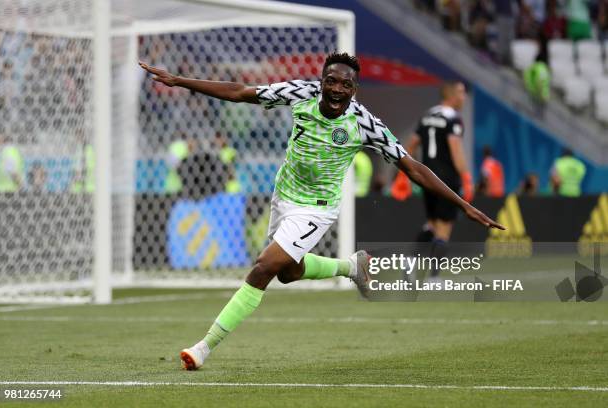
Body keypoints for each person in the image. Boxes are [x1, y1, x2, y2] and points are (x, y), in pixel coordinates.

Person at [139, 54, 503, 371]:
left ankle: (202, 348)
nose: (336, 89)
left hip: (317, 208)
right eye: (331, 81)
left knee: (264, 267)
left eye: (346, 84)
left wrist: (464, 205)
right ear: (321, 81)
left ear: (354, 90)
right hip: (283, 198)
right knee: (288, 272)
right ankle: (351, 267)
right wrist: (179, 81)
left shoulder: (365, 123)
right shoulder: (301, 93)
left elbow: (413, 167)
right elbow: (241, 93)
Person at [404, 81, 475, 281]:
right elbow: (455, 150)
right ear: (451, 95)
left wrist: (405, 173)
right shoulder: (453, 118)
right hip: (447, 179)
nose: (464, 97)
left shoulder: (428, 115)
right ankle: (433, 278)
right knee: (444, 228)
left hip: (427, 178)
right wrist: (466, 177)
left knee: (432, 225)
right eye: (461, 93)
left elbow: (411, 145)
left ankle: (410, 262)